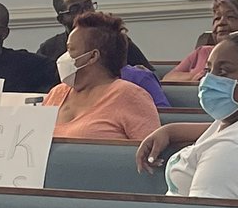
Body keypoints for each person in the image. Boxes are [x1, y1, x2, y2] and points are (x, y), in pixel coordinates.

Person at [136, 31, 238, 202]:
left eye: (223, 72)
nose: (208, 79)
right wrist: (169, 131)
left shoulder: (233, 151)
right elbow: (218, 133)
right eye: (208, 70)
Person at [41, 12, 161, 140]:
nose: (64, 56)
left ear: (92, 56)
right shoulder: (57, 93)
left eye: (70, 49)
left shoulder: (130, 96)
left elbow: (150, 149)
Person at [38, 0, 152, 69]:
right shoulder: (49, 49)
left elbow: (148, 75)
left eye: (88, 5)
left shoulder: (114, 39)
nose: (85, 12)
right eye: (75, 9)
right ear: (61, 19)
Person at [164, 0, 238, 83]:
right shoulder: (202, 52)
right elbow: (168, 78)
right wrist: (196, 77)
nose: (221, 22)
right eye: (217, 18)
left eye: (231, 17)